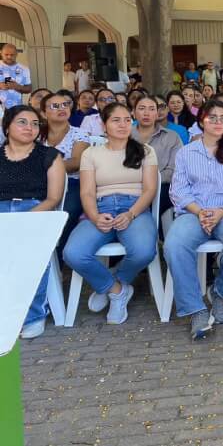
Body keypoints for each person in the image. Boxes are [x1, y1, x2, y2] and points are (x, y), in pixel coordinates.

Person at [164, 100, 223, 339]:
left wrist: (221, 211)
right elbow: (178, 190)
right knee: (174, 245)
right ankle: (196, 309)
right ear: (201, 119)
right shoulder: (186, 152)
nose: (217, 122)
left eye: (222, 118)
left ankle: (221, 293)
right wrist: (200, 212)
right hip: (195, 212)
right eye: (212, 117)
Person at [62, 102, 159, 326]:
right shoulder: (91, 153)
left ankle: (115, 280)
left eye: (127, 120)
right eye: (116, 120)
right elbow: (86, 192)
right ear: (104, 125)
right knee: (73, 253)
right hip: (100, 208)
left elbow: (150, 189)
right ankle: (116, 291)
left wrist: (131, 214)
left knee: (144, 251)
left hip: (135, 208)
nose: (123, 125)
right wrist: (95, 216)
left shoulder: (145, 151)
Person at [1, 106, 65, 338]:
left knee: (30, 251)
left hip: (35, 209)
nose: (30, 128)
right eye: (22, 122)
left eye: (35, 123)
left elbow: (53, 198)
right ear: (7, 126)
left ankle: (33, 315)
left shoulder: (49, 156)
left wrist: (25, 219)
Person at [42, 91, 91, 246]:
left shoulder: (79, 134)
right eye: (55, 106)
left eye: (65, 104)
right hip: (40, 183)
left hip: (72, 183)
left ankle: (58, 258)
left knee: (66, 212)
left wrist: (43, 167)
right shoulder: (35, 134)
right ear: (44, 113)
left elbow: (76, 162)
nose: (61, 108)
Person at [132, 96, 183, 220]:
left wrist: (150, 181)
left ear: (157, 113)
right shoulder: (125, 135)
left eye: (151, 109)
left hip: (161, 185)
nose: (146, 113)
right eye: (142, 108)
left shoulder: (172, 137)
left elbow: (175, 170)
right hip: (130, 185)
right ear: (133, 112)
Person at [0, 43, 31, 109]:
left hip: (16, 108)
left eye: (12, 55)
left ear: (16, 54)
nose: (9, 57)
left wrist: (17, 87)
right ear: (1, 53)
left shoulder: (24, 69)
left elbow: (29, 89)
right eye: (6, 54)